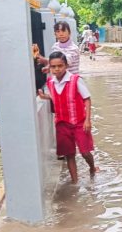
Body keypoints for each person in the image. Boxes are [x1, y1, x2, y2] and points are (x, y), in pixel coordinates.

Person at [38, 51, 98, 184]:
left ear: (66, 66)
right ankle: (75, 182)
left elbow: (87, 99)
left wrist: (87, 120)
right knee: (69, 154)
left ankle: (92, 168)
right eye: (53, 67)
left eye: (60, 66)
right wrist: (44, 97)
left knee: (85, 152)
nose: (57, 69)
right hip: (61, 124)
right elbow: (54, 96)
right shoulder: (50, 83)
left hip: (79, 122)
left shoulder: (76, 80)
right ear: (50, 68)